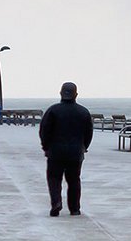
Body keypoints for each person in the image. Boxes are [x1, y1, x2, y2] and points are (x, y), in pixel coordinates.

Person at [40, 82, 94, 216]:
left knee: (54, 178)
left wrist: (46, 146)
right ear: (76, 94)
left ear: (60, 93)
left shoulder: (53, 110)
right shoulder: (83, 112)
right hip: (75, 152)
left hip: (55, 151)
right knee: (74, 179)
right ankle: (74, 208)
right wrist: (84, 147)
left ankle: (56, 202)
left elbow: (44, 130)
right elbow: (89, 132)